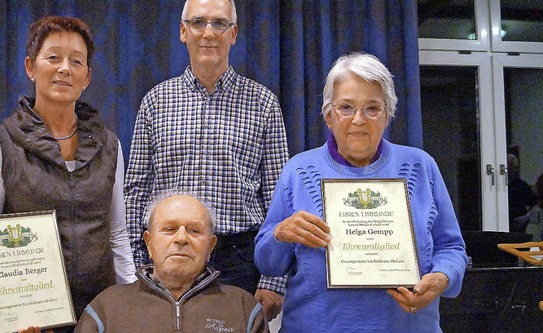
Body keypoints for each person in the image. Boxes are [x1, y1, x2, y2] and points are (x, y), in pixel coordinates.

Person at [254, 52, 468, 332]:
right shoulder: (299, 170)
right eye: (346, 107)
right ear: (328, 116)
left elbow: (452, 248)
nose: (358, 119)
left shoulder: (420, 166)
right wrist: (281, 233)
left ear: (387, 115)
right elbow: (267, 262)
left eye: (372, 108)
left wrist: (442, 277)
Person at [124, 0, 288, 320]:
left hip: (240, 261)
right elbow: (136, 191)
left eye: (219, 23)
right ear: (183, 32)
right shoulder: (156, 102)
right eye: (198, 22)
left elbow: (279, 198)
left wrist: (273, 279)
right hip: (168, 257)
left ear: (234, 33)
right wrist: (135, 265)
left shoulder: (264, 104)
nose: (208, 33)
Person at [0, 16, 136, 331]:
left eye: (76, 61)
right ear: (31, 67)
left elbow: (117, 235)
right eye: (53, 57)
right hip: (27, 318)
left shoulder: (110, 145)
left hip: (97, 313)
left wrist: (128, 302)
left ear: (87, 77)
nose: (64, 68)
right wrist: (11, 315)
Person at [73, 193, 268, 332]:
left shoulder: (243, 308)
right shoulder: (106, 308)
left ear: (211, 246)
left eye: (194, 230)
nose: (181, 238)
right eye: (169, 229)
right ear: (148, 243)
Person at [507, 153, 537, 233]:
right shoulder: (498, 188)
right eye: (507, 165)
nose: (509, 168)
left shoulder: (521, 185)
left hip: (519, 229)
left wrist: (525, 217)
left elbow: (535, 204)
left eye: (512, 165)